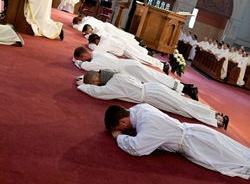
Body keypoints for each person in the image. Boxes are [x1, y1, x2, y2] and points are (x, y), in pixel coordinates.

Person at [104, 103, 250, 180]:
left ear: (123, 121)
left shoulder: (148, 125)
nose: (122, 130)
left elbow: (136, 148)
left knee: (232, 161)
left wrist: (119, 137)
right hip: (196, 132)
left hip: (195, 144)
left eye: (120, 128)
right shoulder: (140, 108)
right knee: (235, 152)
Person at [77, 70, 228, 128]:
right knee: (183, 103)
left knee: (182, 108)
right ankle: (214, 114)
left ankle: (215, 120)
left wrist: (81, 85)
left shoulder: (112, 85)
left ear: (97, 81)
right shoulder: (117, 75)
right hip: (153, 88)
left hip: (152, 96)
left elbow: (97, 92)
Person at [73, 46, 198, 99]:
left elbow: (85, 67)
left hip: (128, 70)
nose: (80, 61)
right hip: (129, 65)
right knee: (156, 77)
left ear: (84, 56)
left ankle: (186, 89)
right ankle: (186, 88)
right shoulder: (98, 53)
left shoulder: (94, 61)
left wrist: (77, 62)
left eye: (80, 58)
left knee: (155, 81)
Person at [88, 33, 164, 70]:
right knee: (141, 58)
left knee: (142, 58)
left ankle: (161, 64)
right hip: (125, 47)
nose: (96, 44)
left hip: (126, 50)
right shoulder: (105, 36)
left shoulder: (103, 42)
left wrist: (90, 45)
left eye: (95, 43)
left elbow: (96, 51)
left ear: (96, 40)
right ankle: (160, 64)